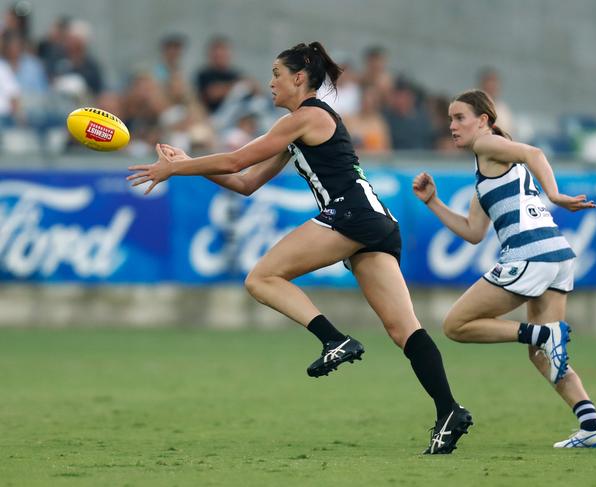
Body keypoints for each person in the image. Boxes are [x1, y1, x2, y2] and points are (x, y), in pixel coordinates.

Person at [128, 41, 472, 455]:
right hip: (376, 223)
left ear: (299, 78)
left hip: (351, 215)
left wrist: (177, 167)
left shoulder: (306, 115)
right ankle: (448, 410)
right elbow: (245, 182)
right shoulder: (299, 127)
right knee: (404, 329)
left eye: (276, 74)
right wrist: (187, 162)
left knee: (261, 277)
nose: (270, 82)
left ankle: (333, 340)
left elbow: (236, 160)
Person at [412, 89, 596, 449]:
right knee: (544, 355)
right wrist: (433, 202)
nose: (452, 126)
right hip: (556, 256)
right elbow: (474, 233)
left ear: (484, 121)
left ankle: (541, 335)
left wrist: (554, 194)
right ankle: (592, 423)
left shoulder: (487, 145)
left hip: (529, 255)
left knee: (455, 325)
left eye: (460, 118)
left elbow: (533, 152)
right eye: (450, 120)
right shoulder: (487, 167)